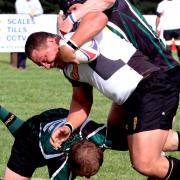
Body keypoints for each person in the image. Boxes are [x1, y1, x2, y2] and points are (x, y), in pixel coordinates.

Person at [25, 15, 180, 179]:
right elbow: (81, 100)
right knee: (121, 138)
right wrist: (69, 126)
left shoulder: (76, 37)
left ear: (51, 42)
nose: (47, 66)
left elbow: (98, 19)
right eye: (40, 65)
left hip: (149, 87)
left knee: (144, 162)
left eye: (44, 59)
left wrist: (70, 44)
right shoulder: (68, 69)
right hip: (132, 98)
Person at [57, 0, 180, 92]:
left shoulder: (111, 4)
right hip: (138, 77)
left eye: (75, 8)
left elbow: (107, 0)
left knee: (160, 122)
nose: (74, 14)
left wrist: (71, 18)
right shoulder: (88, 22)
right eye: (70, 12)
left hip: (161, 64)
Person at [0, 105, 129, 180]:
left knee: (25, 129)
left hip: (53, 117)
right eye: (83, 175)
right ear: (71, 164)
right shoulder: (61, 167)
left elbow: (131, 141)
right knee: (23, 135)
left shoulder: (97, 136)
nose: (87, 178)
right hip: (29, 146)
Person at [13, 0, 43, 69]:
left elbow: (40, 11)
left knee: (33, 46)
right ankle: (20, 65)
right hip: (22, 28)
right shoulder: (19, 1)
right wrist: (28, 13)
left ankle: (40, 64)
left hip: (33, 27)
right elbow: (19, 12)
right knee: (21, 46)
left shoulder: (36, 1)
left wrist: (34, 13)